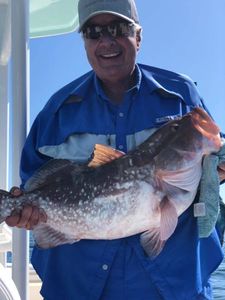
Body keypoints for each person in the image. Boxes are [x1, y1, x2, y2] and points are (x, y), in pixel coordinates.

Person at [6, 0, 224, 299]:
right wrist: (27, 211)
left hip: (175, 283)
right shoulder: (55, 112)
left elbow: (212, 158)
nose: (106, 40)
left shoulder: (181, 94)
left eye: (118, 28)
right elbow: (35, 182)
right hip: (79, 284)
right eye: (94, 32)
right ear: (84, 41)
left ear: (138, 36)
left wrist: (219, 170)